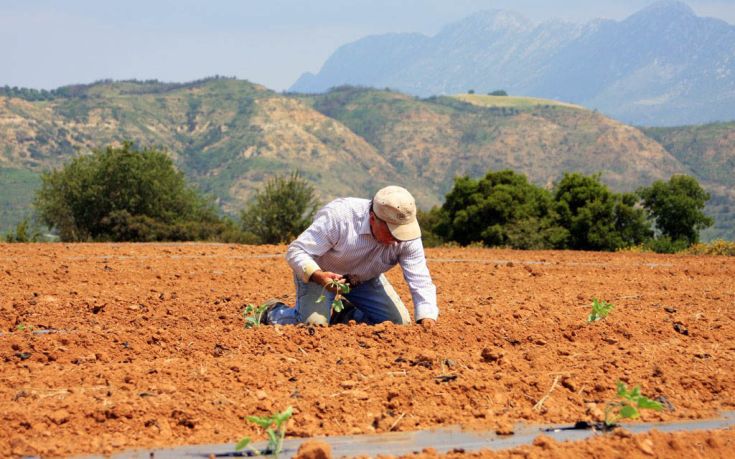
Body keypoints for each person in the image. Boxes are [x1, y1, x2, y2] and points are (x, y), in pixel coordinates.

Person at [264, 185, 438, 327]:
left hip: (363, 279)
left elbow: (420, 279)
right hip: (321, 276)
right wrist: (318, 275)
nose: (398, 239)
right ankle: (272, 311)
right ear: (373, 219)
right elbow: (296, 251)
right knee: (313, 324)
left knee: (398, 323)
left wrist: (427, 317)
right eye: (392, 232)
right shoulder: (340, 217)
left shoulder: (407, 236)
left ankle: (347, 314)